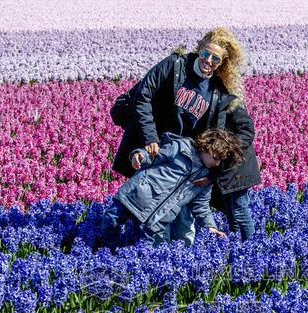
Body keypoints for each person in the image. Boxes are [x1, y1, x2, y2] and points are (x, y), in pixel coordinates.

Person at [112, 27, 262, 240]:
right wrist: (150, 137)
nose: (208, 60)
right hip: (162, 145)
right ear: (198, 48)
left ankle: (163, 245)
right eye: (205, 53)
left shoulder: (219, 90)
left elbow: (221, 134)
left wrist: (210, 171)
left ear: (222, 62)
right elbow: (143, 96)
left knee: (178, 204)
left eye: (215, 59)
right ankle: (133, 241)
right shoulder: (174, 65)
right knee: (144, 193)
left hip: (189, 155)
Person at [99, 129, 244, 247]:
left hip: (157, 219)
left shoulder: (206, 179)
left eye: (221, 161)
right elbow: (154, 155)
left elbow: (202, 206)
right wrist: (139, 156)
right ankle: (109, 250)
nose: (217, 164)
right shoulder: (180, 148)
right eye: (216, 158)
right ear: (207, 147)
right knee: (110, 220)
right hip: (136, 197)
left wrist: (210, 227)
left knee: (146, 250)